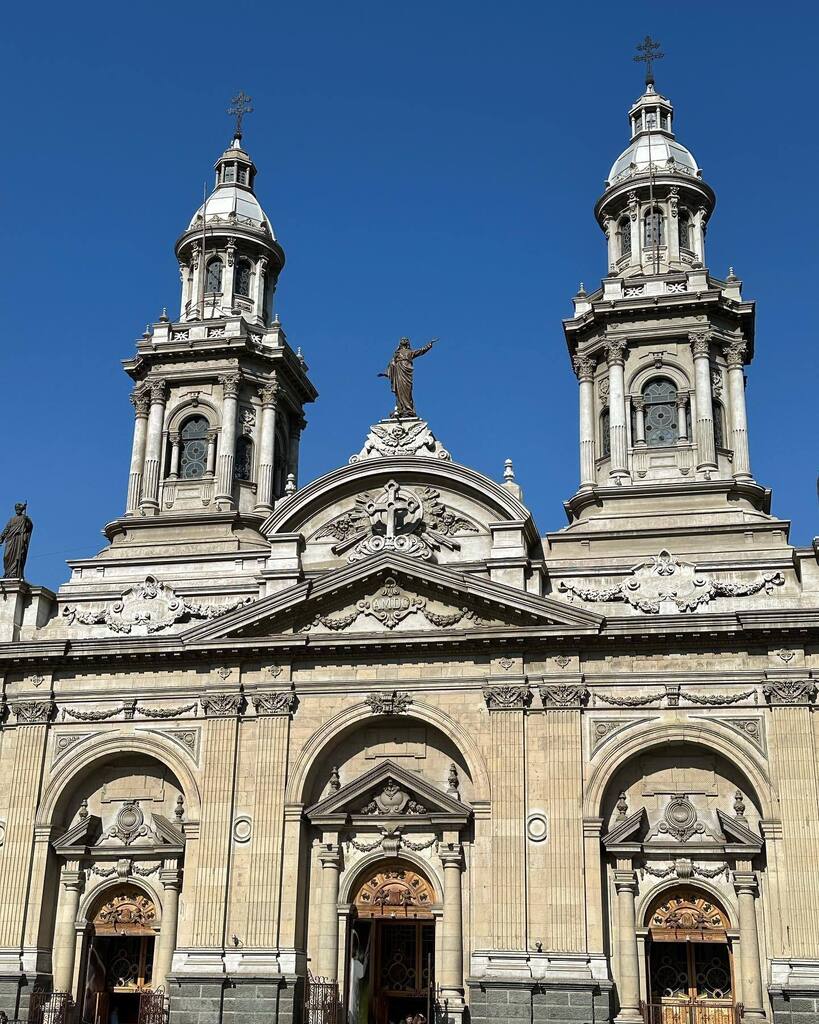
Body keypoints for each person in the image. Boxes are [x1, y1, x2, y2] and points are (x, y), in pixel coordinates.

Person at [379, 337, 437, 418]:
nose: (404, 340)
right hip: (398, 371)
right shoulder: (396, 353)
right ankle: (400, 409)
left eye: (406, 339)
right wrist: (386, 372)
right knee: (399, 391)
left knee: (406, 390)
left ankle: (408, 410)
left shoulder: (410, 352)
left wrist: (429, 345)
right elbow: (391, 364)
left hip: (406, 372)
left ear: (408, 342)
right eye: (402, 339)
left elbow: (421, 351)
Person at [1, 503, 33, 579]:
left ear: (22, 510)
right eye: (16, 509)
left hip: (19, 539)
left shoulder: (24, 518)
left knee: (17, 557)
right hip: (10, 539)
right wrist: (1, 538)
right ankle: (7, 573)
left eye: (19, 509)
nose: (17, 510)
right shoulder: (12, 519)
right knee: (6, 557)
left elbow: (29, 527)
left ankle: (14, 573)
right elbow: (6, 529)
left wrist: (27, 520)